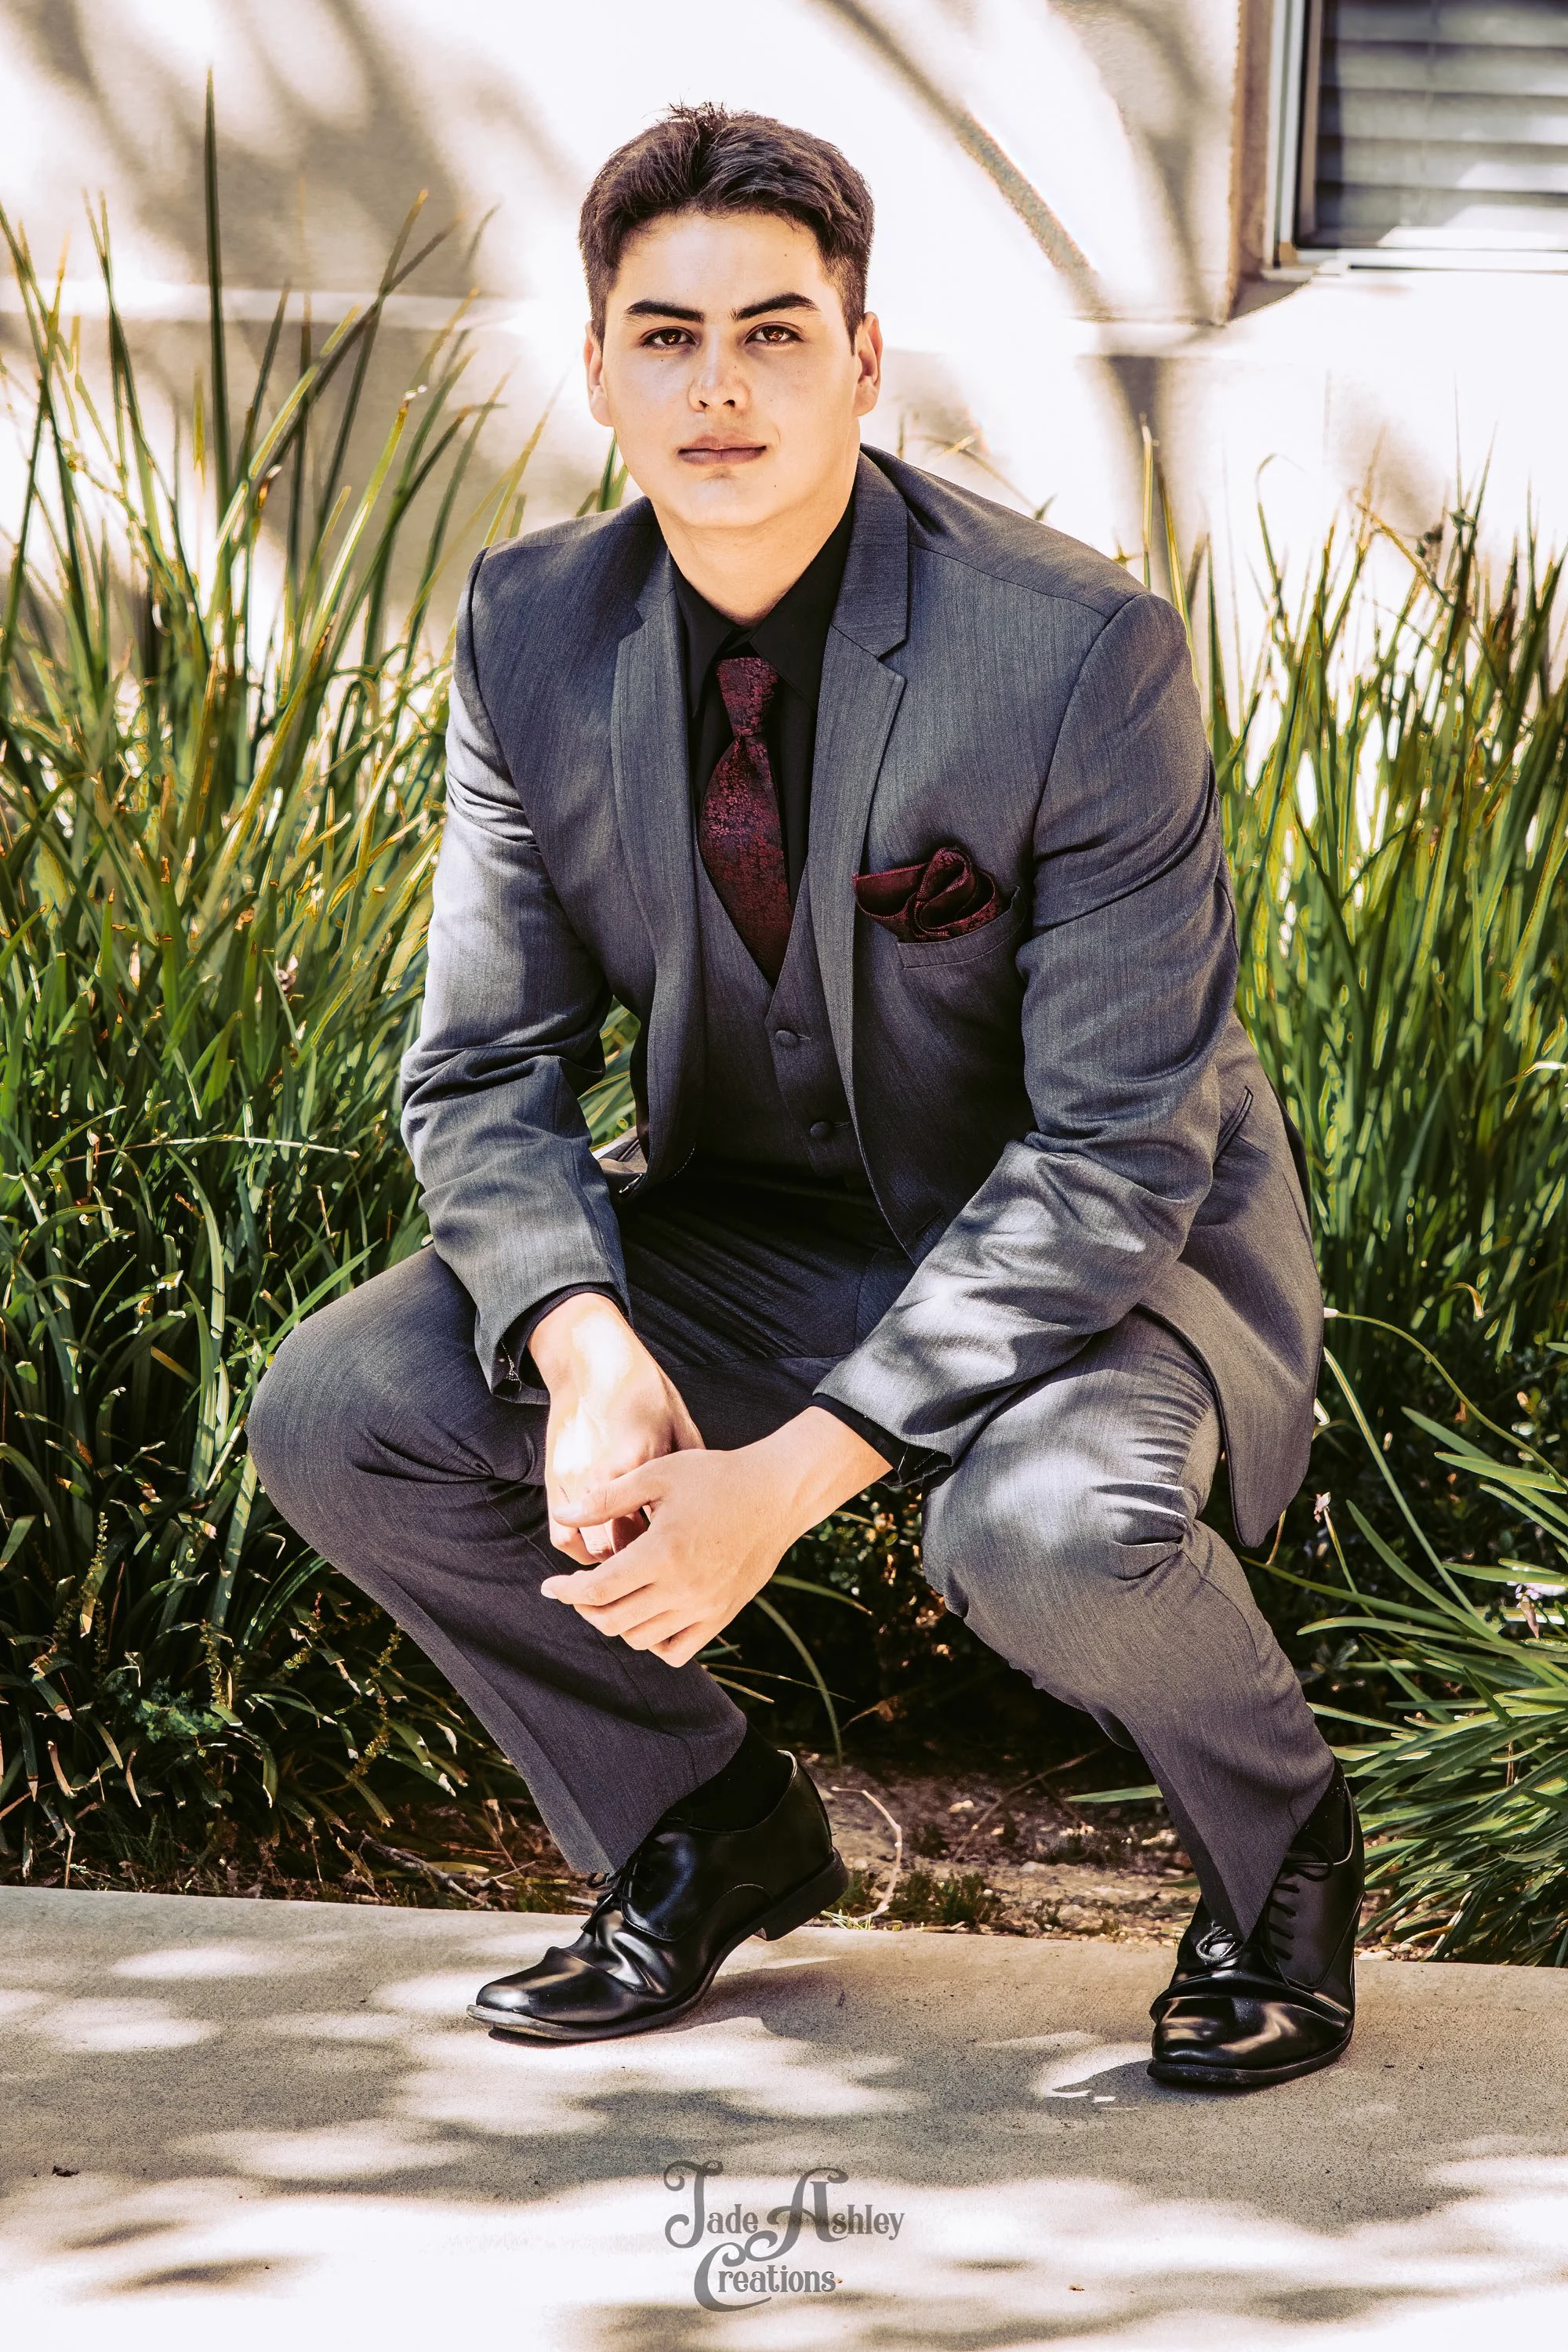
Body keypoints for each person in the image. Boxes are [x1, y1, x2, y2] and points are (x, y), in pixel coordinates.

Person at [246, 103, 1362, 2089]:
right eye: (665, 337)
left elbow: (1116, 1151)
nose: (719, 387)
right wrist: (585, 1342)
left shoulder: (1076, 653)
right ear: (598, 371)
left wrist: (781, 1483)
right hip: (753, 1226)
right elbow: (486, 1060)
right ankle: (704, 1826)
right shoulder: (528, 630)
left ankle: (1281, 1856)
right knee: (345, 1409)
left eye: (772, 332)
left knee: (1041, 1530)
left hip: (1098, 1258)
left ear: (862, 359)